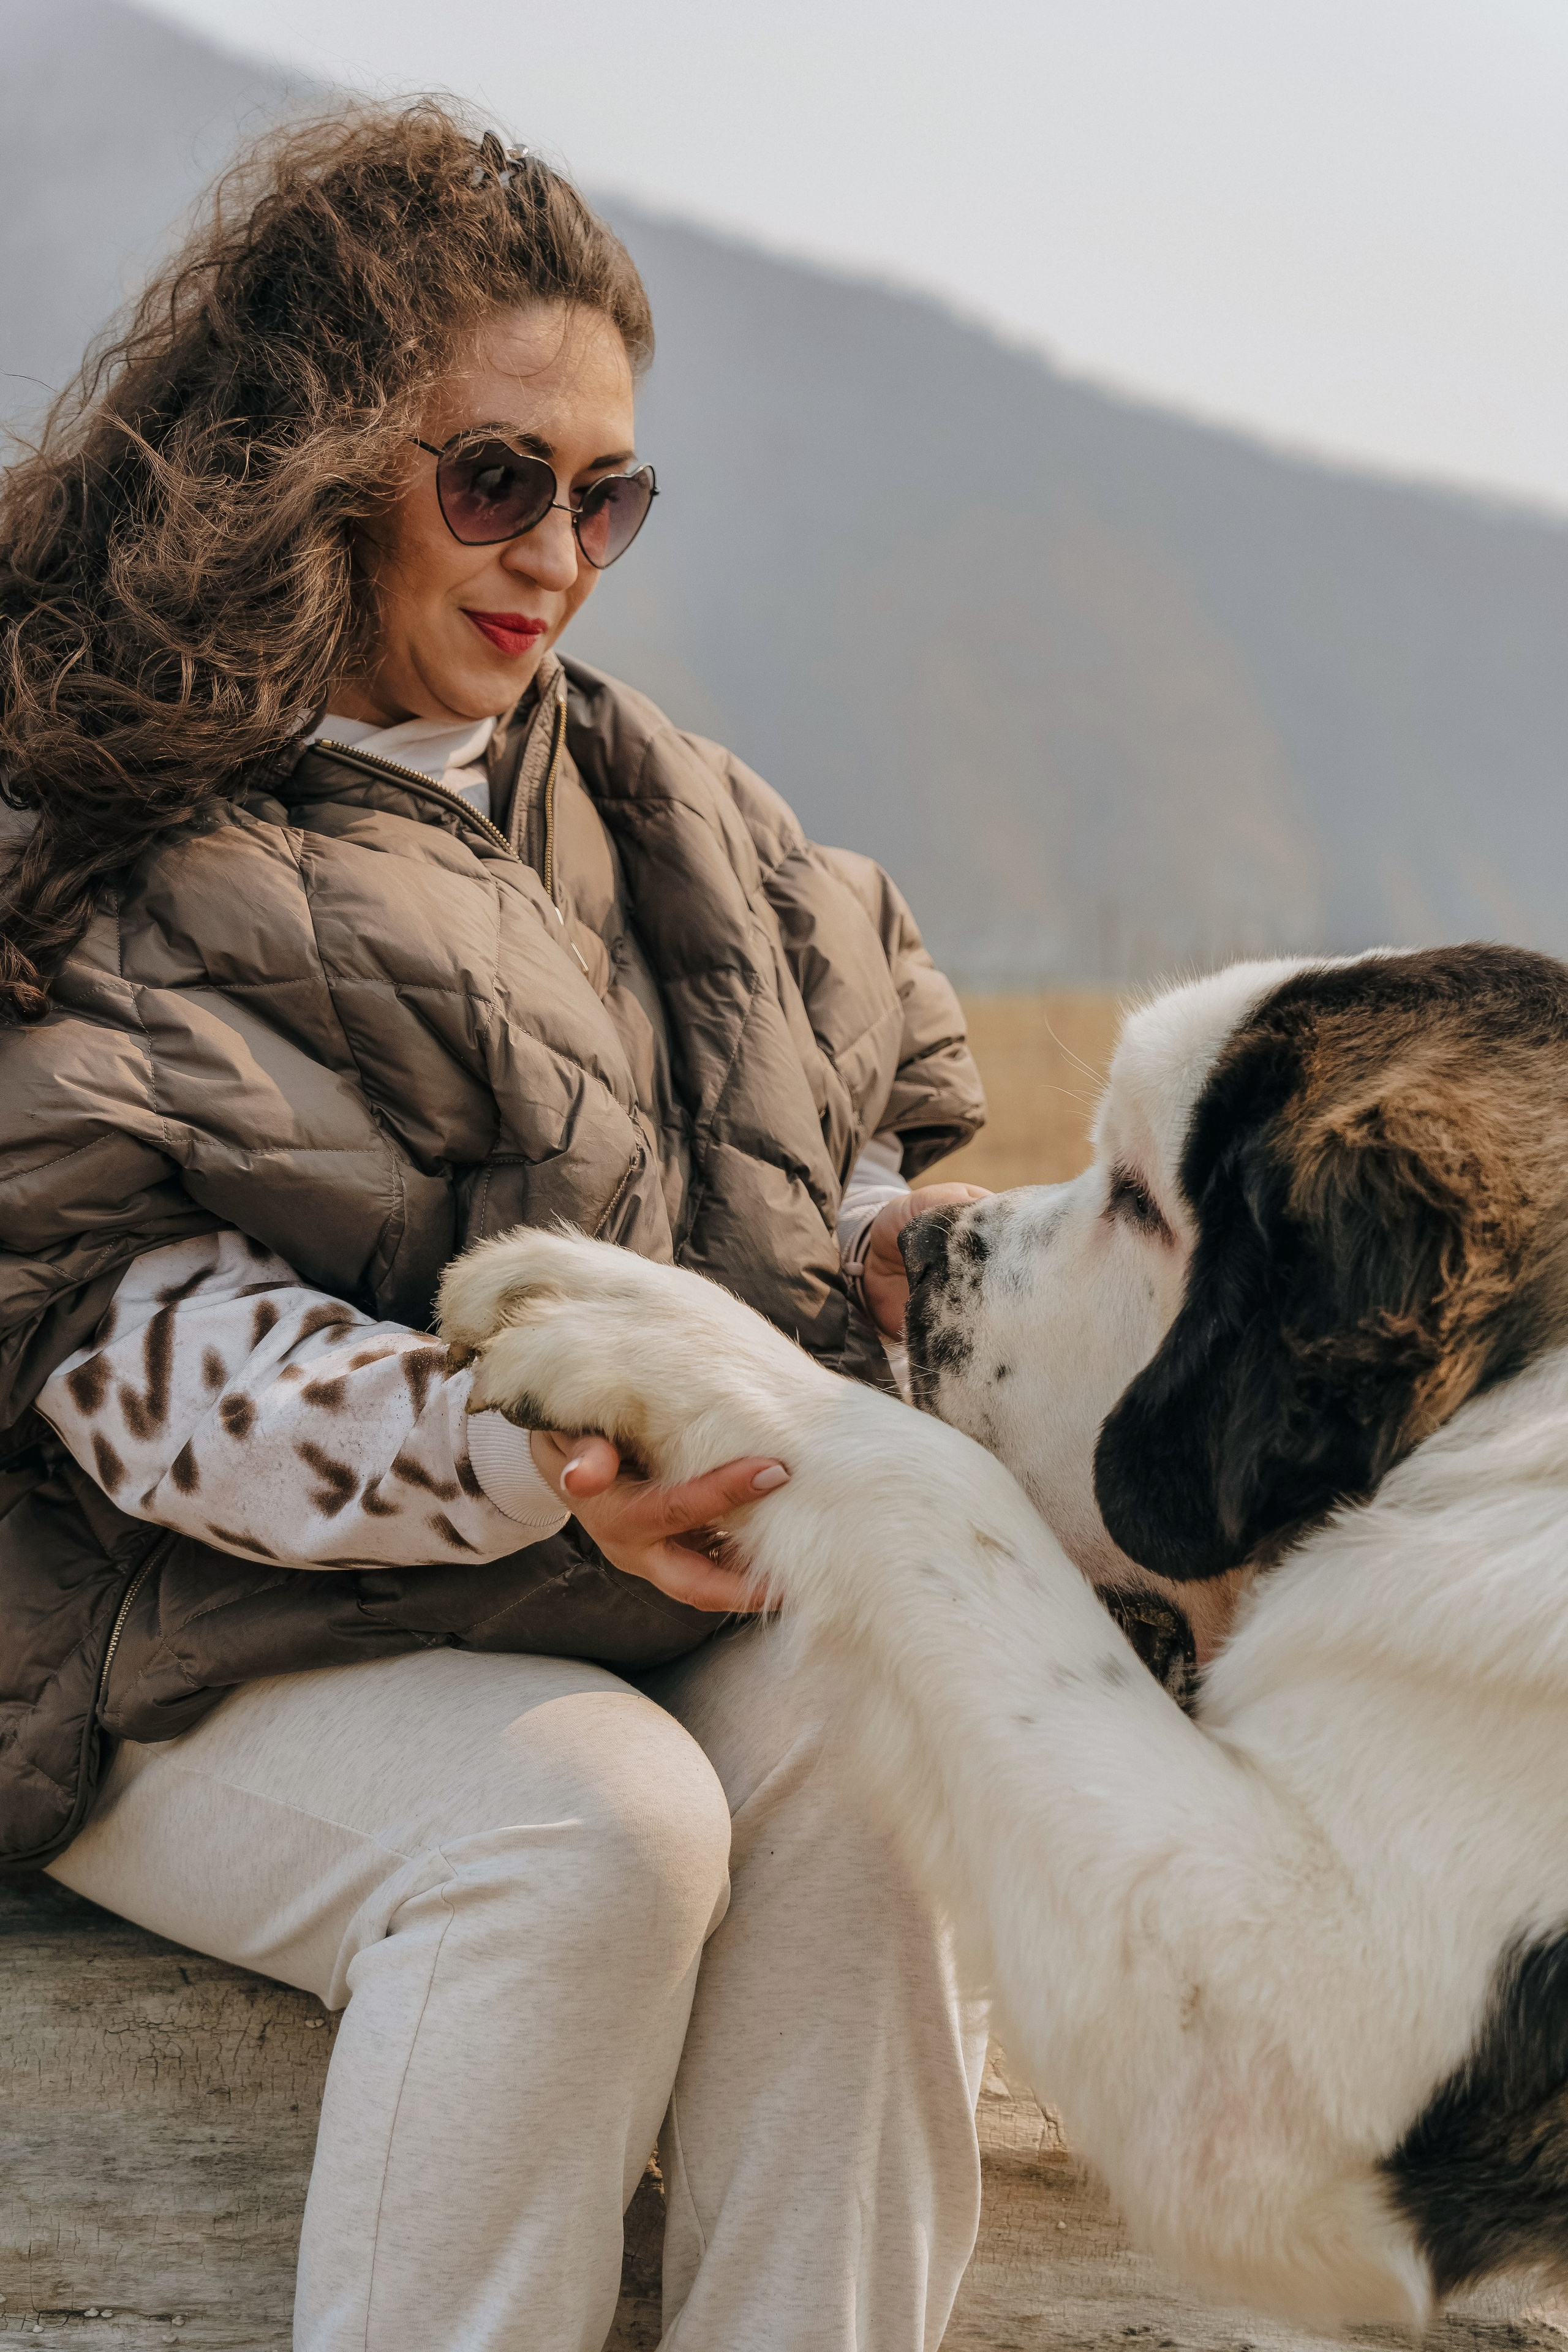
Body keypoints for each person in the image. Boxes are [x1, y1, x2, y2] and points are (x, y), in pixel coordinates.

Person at [0, 108, 990, 2352]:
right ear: (310, 458)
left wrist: (931, 1300)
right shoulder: (72, 804)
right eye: (500, 479)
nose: (561, 551)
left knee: (872, 1740)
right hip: (157, 1636)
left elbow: (854, 1168)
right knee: (591, 1828)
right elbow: (125, 1353)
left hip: (596, 1581)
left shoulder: (690, 820)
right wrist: (541, 1457)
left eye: (609, 494)